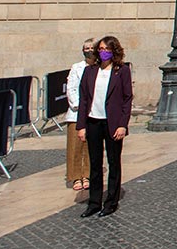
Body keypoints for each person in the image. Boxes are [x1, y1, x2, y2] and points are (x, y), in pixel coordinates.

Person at [76, 36, 132, 218]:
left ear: (114, 51)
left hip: (112, 123)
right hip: (93, 121)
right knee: (95, 163)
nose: (103, 52)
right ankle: (94, 202)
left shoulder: (121, 71)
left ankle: (111, 202)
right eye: (100, 49)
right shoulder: (90, 71)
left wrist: (123, 125)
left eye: (107, 49)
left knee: (113, 162)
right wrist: (81, 126)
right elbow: (84, 99)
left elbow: (127, 99)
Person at [66, 38, 94, 192]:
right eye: (86, 48)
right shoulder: (76, 67)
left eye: (91, 47)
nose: (89, 50)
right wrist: (79, 106)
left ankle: (87, 175)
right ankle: (76, 176)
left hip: (93, 112)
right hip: (76, 112)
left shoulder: (99, 67)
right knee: (75, 146)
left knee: (90, 146)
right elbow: (71, 88)